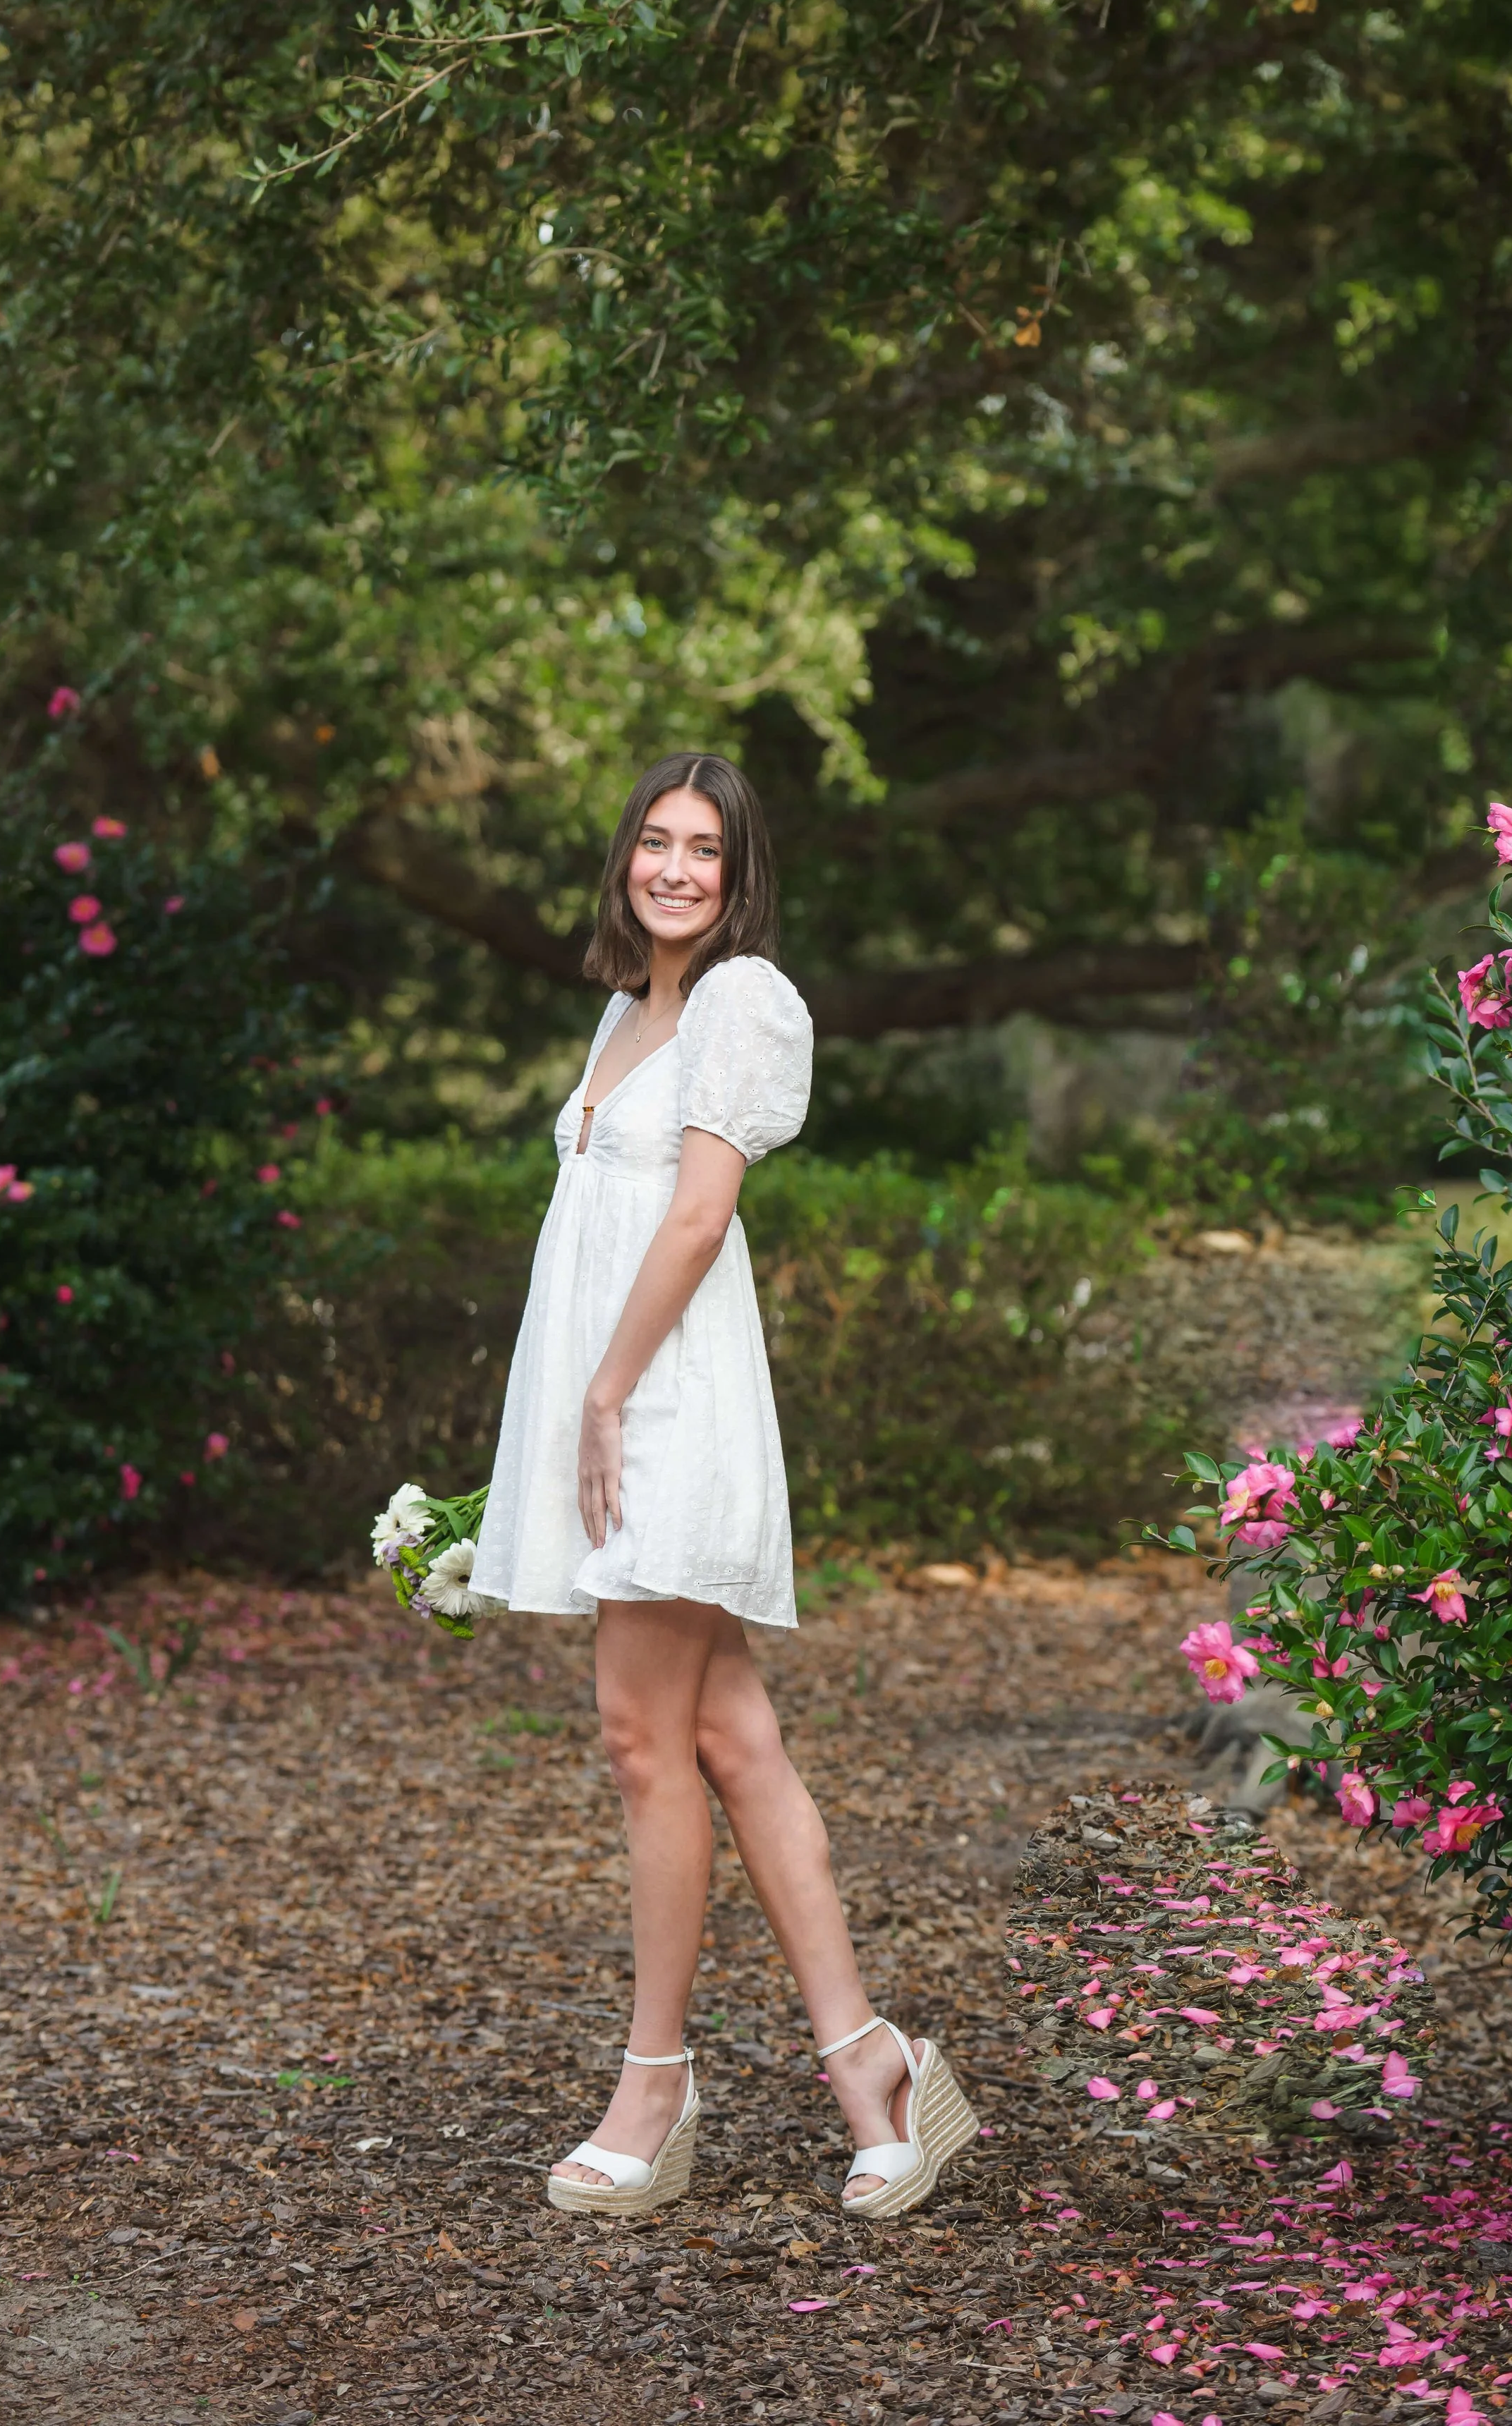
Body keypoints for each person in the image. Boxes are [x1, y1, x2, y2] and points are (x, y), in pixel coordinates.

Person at [465, 751, 975, 2221]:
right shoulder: (627, 1009)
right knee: (731, 1739)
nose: (673, 868)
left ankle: (654, 2081)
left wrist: (607, 1395)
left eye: (702, 848)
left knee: (644, 1744)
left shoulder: (745, 1000)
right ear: (622, 858)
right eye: (652, 841)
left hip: (667, 1408)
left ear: (738, 874)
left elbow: (694, 1218)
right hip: (618, 1406)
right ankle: (869, 2064)